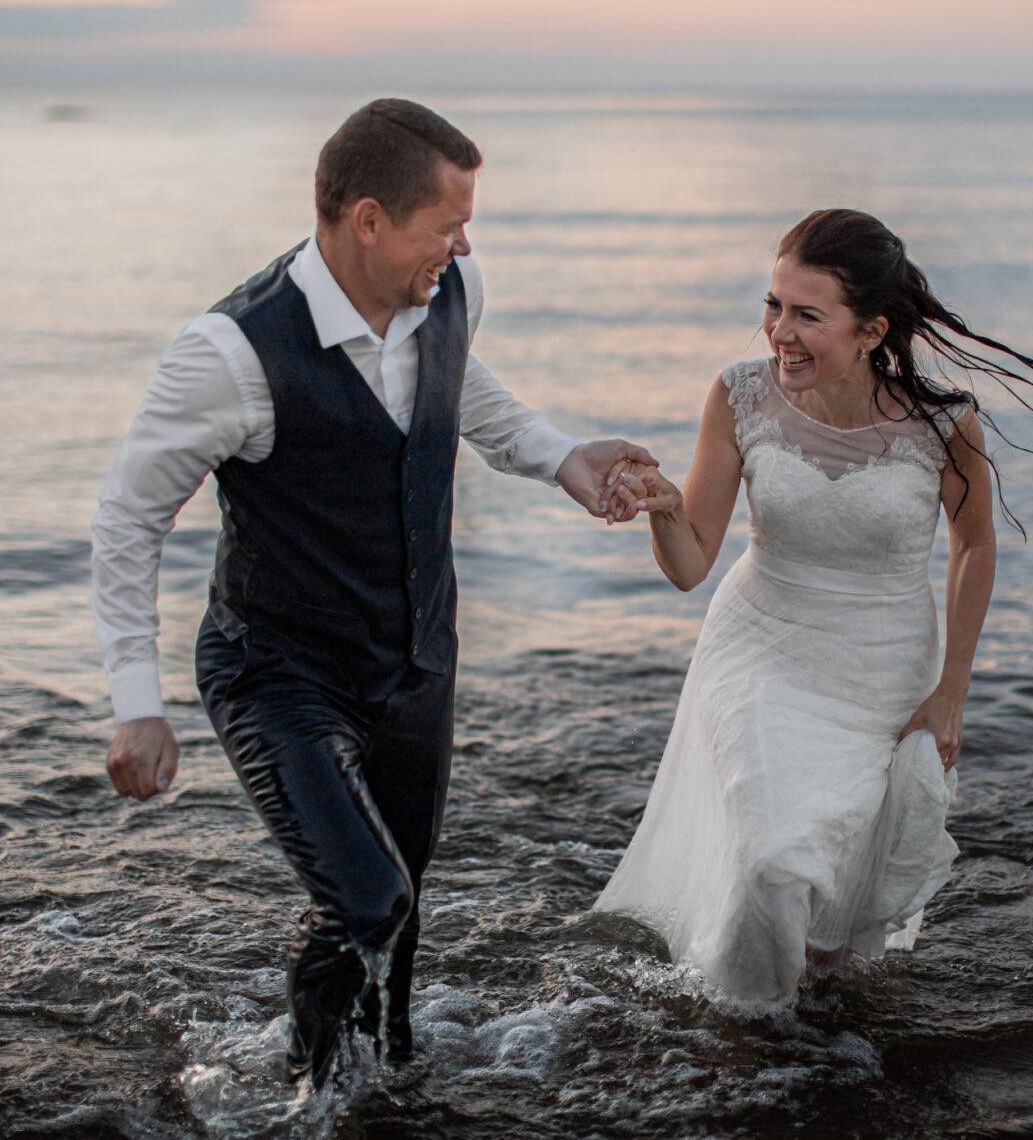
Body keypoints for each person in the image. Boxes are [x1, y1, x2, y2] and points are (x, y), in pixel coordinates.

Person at [90, 98, 653, 1087]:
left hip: (415, 663)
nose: (464, 242)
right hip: (278, 668)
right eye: (447, 222)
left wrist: (561, 456)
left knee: (402, 901)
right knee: (364, 898)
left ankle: (385, 1074)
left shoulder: (446, 288)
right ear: (368, 221)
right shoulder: (228, 353)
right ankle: (308, 1093)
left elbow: (454, 382)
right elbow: (129, 515)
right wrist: (138, 705)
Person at [595, 208, 1033, 1001]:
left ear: (870, 331)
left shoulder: (944, 423)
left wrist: (952, 689)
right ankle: (749, 1036)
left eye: (806, 315)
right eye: (773, 305)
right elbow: (691, 565)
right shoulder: (738, 394)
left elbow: (975, 545)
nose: (778, 332)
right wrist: (660, 505)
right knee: (769, 861)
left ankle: (812, 1020)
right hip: (761, 644)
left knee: (835, 883)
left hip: (882, 667)